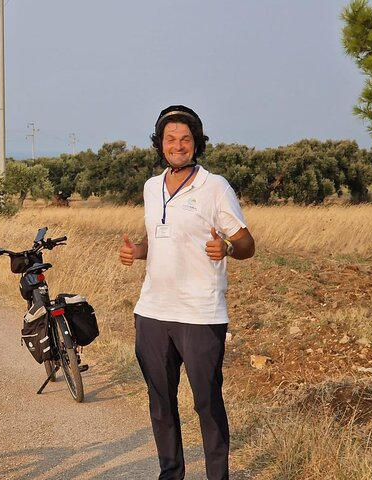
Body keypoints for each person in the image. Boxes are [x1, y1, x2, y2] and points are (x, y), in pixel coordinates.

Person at [119, 105, 255, 480]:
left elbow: (247, 244)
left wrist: (226, 249)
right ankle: (171, 473)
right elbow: (159, 235)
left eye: (185, 139)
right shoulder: (151, 187)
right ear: (160, 144)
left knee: (207, 404)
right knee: (161, 405)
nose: (178, 145)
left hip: (200, 315)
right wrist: (139, 251)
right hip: (152, 312)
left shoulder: (214, 187)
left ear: (196, 144)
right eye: (170, 139)